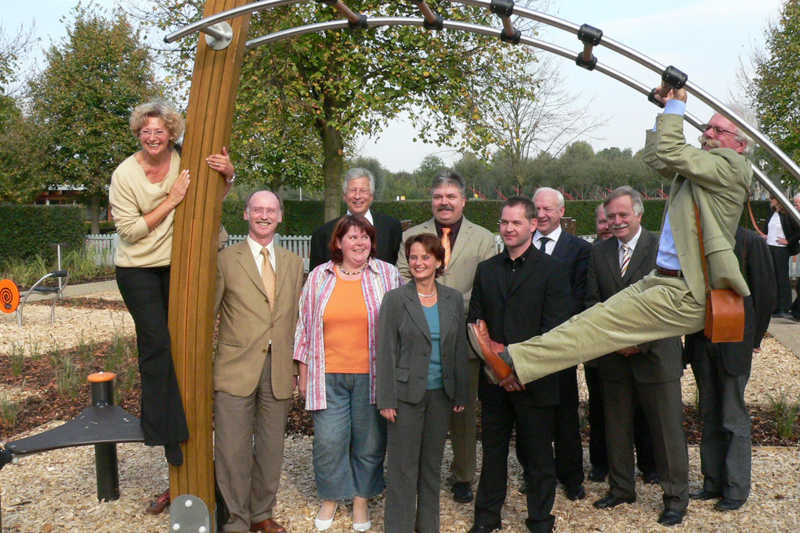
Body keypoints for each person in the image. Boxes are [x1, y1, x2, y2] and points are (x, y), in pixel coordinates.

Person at [490, 87, 753, 527]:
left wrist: (677, 105)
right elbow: (659, 157)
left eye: (717, 128)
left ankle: (513, 360)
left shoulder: (729, 166)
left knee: (598, 329)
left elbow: (671, 148)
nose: (707, 133)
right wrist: (665, 108)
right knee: (593, 319)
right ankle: (518, 359)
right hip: (662, 280)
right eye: (706, 126)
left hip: (684, 290)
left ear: (740, 143)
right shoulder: (705, 169)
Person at [108, 100, 234, 512]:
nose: (152, 136)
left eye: (159, 130)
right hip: (138, 271)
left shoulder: (185, 159)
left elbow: (212, 195)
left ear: (172, 133)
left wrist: (228, 175)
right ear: (138, 134)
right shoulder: (125, 174)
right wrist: (173, 198)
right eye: (146, 131)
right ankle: (169, 438)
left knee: (186, 348)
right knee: (157, 346)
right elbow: (129, 231)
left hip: (177, 267)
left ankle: (192, 442)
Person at [466, 197, 572, 533]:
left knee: (539, 457)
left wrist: (519, 369)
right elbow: (475, 322)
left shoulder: (553, 270)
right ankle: (486, 518)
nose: (508, 229)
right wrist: (500, 369)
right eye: (504, 222)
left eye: (515, 223)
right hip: (496, 383)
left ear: (532, 225)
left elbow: (554, 329)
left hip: (535, 382)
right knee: (493, 455)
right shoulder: (487, 270)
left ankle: (540, 520)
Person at [586, 186, 688, 523]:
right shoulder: (598, 253)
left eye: (623, 215)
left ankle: (675, 498)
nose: (616, 222)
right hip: (613, 357)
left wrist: (639, 343)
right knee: (616, 427)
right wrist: (613, 343)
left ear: (639, 214)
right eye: (611, 216)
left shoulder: (664, 248)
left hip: (656, 356)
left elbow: (674, 301)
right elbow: (593, 304)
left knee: (666, 432)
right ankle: (621, 489)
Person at [294, 215, 401, 532]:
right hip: (327, 376)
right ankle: (330, 497)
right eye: (352, 237)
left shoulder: (387, 274)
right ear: (338, 243)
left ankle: (360, 499)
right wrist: (302, 369)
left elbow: (400, 325)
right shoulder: (319, 276)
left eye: (365, 237)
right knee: (329, 442)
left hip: (373, 377)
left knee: (368, 443)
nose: (360, 242)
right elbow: (304, 326)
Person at [396, 171, 496, 504]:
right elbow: (402, 279)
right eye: (439, 196)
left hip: (463, 340)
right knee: (418, 407)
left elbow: (486, 288)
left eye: (451, 196)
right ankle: (419, 473)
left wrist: (445, 300)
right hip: (419, 339)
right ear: (431, 199)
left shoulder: (483, 239)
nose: (445, 202)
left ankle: (464, 475)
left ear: (464, 200)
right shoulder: (412, 235)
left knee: (462, 412)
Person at [213, 190, 304, 533]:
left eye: (271, 210)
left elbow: (297, 320)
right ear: (246, 215)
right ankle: (235, 519)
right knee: (232, 448)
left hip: (278, 369)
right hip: (235, 368)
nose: (264, 215)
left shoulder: (294, 264)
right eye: (257, 209)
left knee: (270, 448)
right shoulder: (225, 260)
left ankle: (261, 514)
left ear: (280, 216)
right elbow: (209, 313)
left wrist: (297, 369)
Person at [376, 234, 468, 533]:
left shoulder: (453, 299)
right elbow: (386, 350)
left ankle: (428, 527)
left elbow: (458, 350)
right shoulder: (395, 300)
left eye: (425, 257)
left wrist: (460, 391)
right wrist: (386, 399)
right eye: (413, 257)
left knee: (431, 467)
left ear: (438, 261)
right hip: (404, 396)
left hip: (441, 395)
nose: (418, 263)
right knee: (403, 469)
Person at [684, 226, 776, 512]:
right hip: (702, 341)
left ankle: (736, 488)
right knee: (709, 412)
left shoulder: (749, 240)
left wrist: (755, 338)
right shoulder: (695, 237)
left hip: (735, 343)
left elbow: (765, 292)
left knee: (733, 416)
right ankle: (712, 482)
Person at [528, 187, 590, 501]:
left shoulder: (579, 249)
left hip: (563, 345)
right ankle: (538, 474)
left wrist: (560, 335)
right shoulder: (522, 246)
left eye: (547, 209)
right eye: (536, 208)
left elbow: (581, 297)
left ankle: (571, 477)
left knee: (566, 415)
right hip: (529, 346)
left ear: (561, 212)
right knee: (534, 415)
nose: (541, 214)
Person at [309, 168, 403, 269]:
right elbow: (316, 281)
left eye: (363, 190)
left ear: (371, 196)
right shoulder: (322, 234)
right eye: (353, 190)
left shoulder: (391, 228)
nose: (357, 196)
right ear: (344, 196)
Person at [761, 196, 799, 319]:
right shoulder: (772, 213)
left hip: (781, 249)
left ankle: (784, 307)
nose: (770, 200)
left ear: (778, 201)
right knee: (772, 277)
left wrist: (788, 241)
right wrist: (766, 236)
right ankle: (775, 306)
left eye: (772, 198)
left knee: (781, 277)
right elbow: (767, 229)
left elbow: (798, 230)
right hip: (770, 247)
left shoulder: (787, 214)